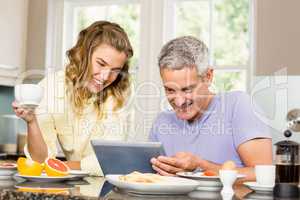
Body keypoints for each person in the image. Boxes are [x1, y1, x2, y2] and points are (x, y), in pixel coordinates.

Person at [12, 21, 134, 176]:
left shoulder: (120, 93)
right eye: (101, 63)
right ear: (83, 54)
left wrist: (60, 166)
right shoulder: (51, 87)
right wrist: (32, 122)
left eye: (115, 70)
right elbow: (40, 161)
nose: (105, 77)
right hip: (73, 182)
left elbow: (110, 160)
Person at [149, 36, 272, 180]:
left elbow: (267, 176)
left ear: (208, 76)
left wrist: (200, 166)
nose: (179, 101)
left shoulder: (238, 106)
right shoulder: (162, 121)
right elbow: (149, 180)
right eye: (170, 90)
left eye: (187, 89)